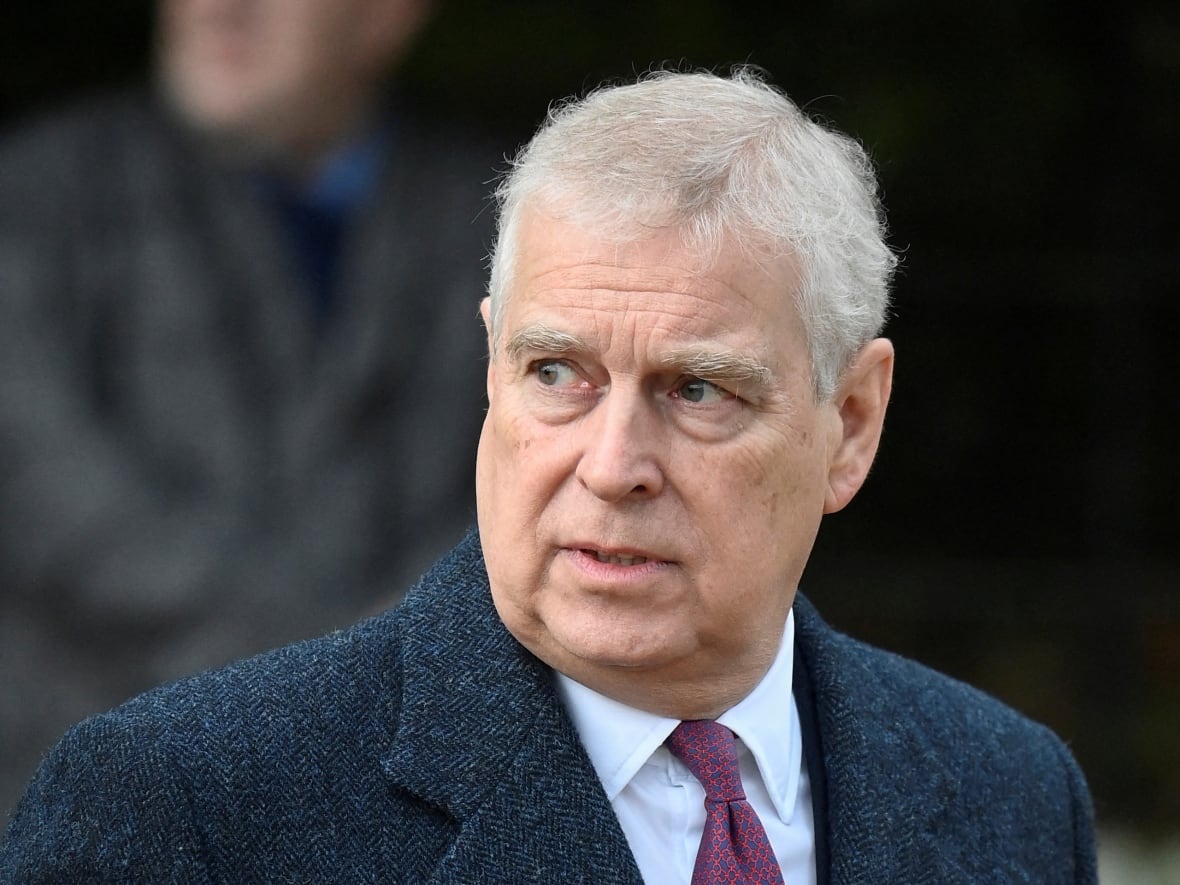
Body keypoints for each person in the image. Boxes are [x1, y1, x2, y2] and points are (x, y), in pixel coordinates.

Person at [0, 68, 1098, 883]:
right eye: (558, 373)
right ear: (491, 368)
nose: (612, 466)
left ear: (850, 423)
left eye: (697, 391)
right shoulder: (185, 808)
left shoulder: (1012, 792)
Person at [0, 0, 495, 818]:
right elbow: (42, 481)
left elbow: (548, 468)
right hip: (90, 800)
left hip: (407, 811)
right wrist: (343, 663)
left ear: (387, 17)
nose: (222, 9)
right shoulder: (34, 197)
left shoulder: (495, 220)